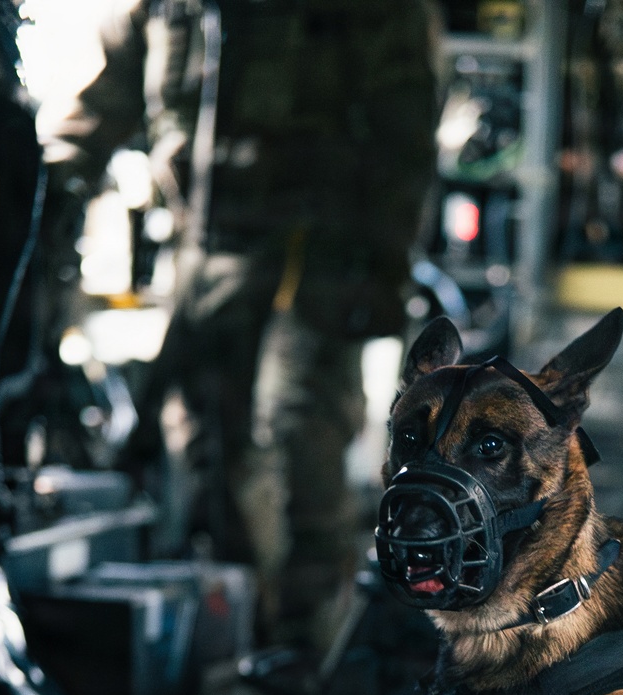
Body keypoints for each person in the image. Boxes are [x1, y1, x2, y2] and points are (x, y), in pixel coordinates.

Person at [41, 0, 438, 654]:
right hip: (208, 255)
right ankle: (231, 654)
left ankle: (303, 671)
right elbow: (105, 97)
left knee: (298, 450)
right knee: (208, 455)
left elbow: (406, 131)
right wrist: (44, 178)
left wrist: (379, 269)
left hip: (317, 257)